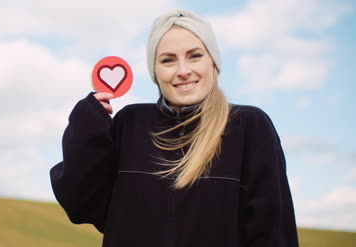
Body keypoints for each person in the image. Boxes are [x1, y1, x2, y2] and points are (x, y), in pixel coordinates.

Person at [50, 9, 299, 247]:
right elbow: (81, 203)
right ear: (155, 72)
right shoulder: (129, 123)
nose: (183, 71)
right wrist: (86, 127)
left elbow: (273, 232)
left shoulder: (250, 126)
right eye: (168, 60)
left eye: (195, 55)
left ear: (213, 62)